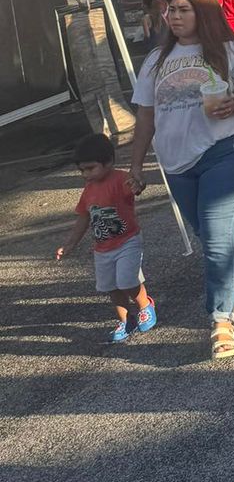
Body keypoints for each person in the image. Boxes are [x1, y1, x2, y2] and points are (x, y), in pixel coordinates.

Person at [128, 0, 234, 360]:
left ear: (203, 12)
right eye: (171, 10)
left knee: (218, 235)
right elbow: (145, 115)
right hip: (176, 161)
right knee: (209, 235)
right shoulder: (155, 60)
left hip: (226, 150)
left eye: (183, 9)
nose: (173, 16)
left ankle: (221, 320)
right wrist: (136, 165)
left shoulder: (230, 49)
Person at [55, 131, 155, 344]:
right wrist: (71, 243)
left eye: (90, 168)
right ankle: (125, 319)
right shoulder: (88, 190)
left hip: (128, 240)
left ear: (108, 161)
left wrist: (138, 184)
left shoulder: (120, 179)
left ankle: (145, 305)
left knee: (127, 279)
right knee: (111, 287)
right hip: (102, 248)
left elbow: (136, 187)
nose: (86, 174)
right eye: (82, 170)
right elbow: (83, 216)